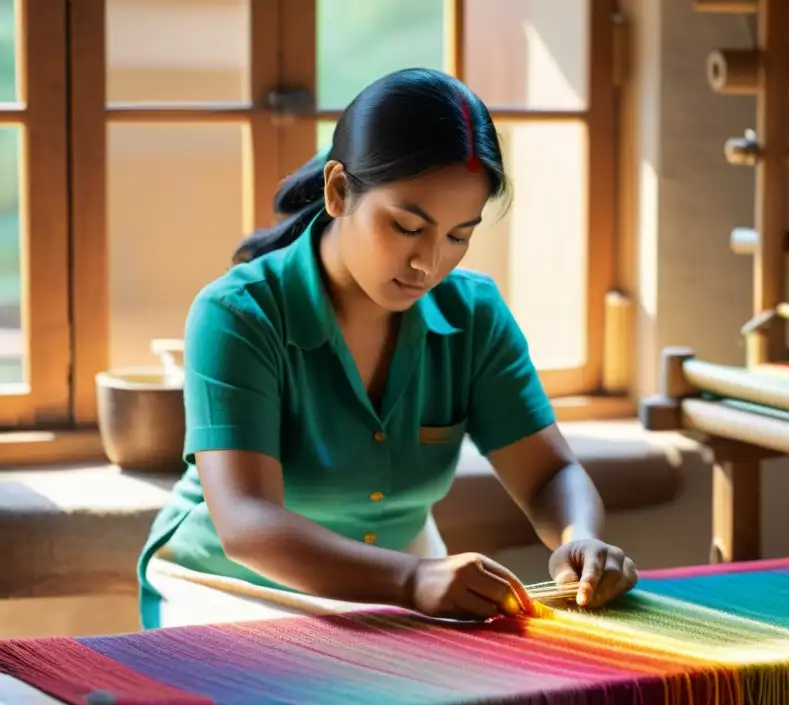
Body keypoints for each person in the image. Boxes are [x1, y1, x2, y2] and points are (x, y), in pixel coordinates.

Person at [136, 67, 638, 630]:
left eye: (457, 236)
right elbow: (248, 522)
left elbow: (549, 475)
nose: (429, 264)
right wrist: (411, 579)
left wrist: (580, 537)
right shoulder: (238, 315)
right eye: (405, 227)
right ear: (338, 191)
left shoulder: (473, 315)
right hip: (229, 591)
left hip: (401, 595)